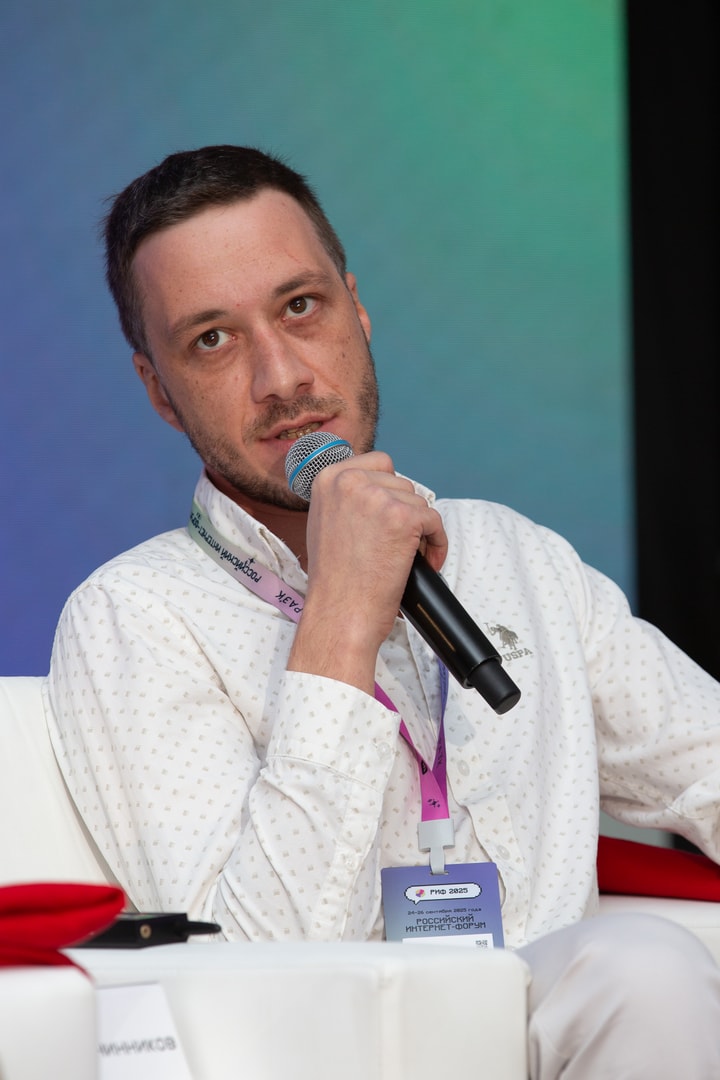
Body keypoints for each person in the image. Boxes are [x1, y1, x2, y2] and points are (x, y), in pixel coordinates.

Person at [47, 145, 720, 1077]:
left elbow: (708, 766)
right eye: (212, 339)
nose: (281, 376)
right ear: (158, 389)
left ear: (356, 309)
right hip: (324, 1060)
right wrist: (341, 615)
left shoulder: (514, 556)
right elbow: (246, 983)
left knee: (642, 967)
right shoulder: (134, 615)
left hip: (547, 1042)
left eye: (299, 306)